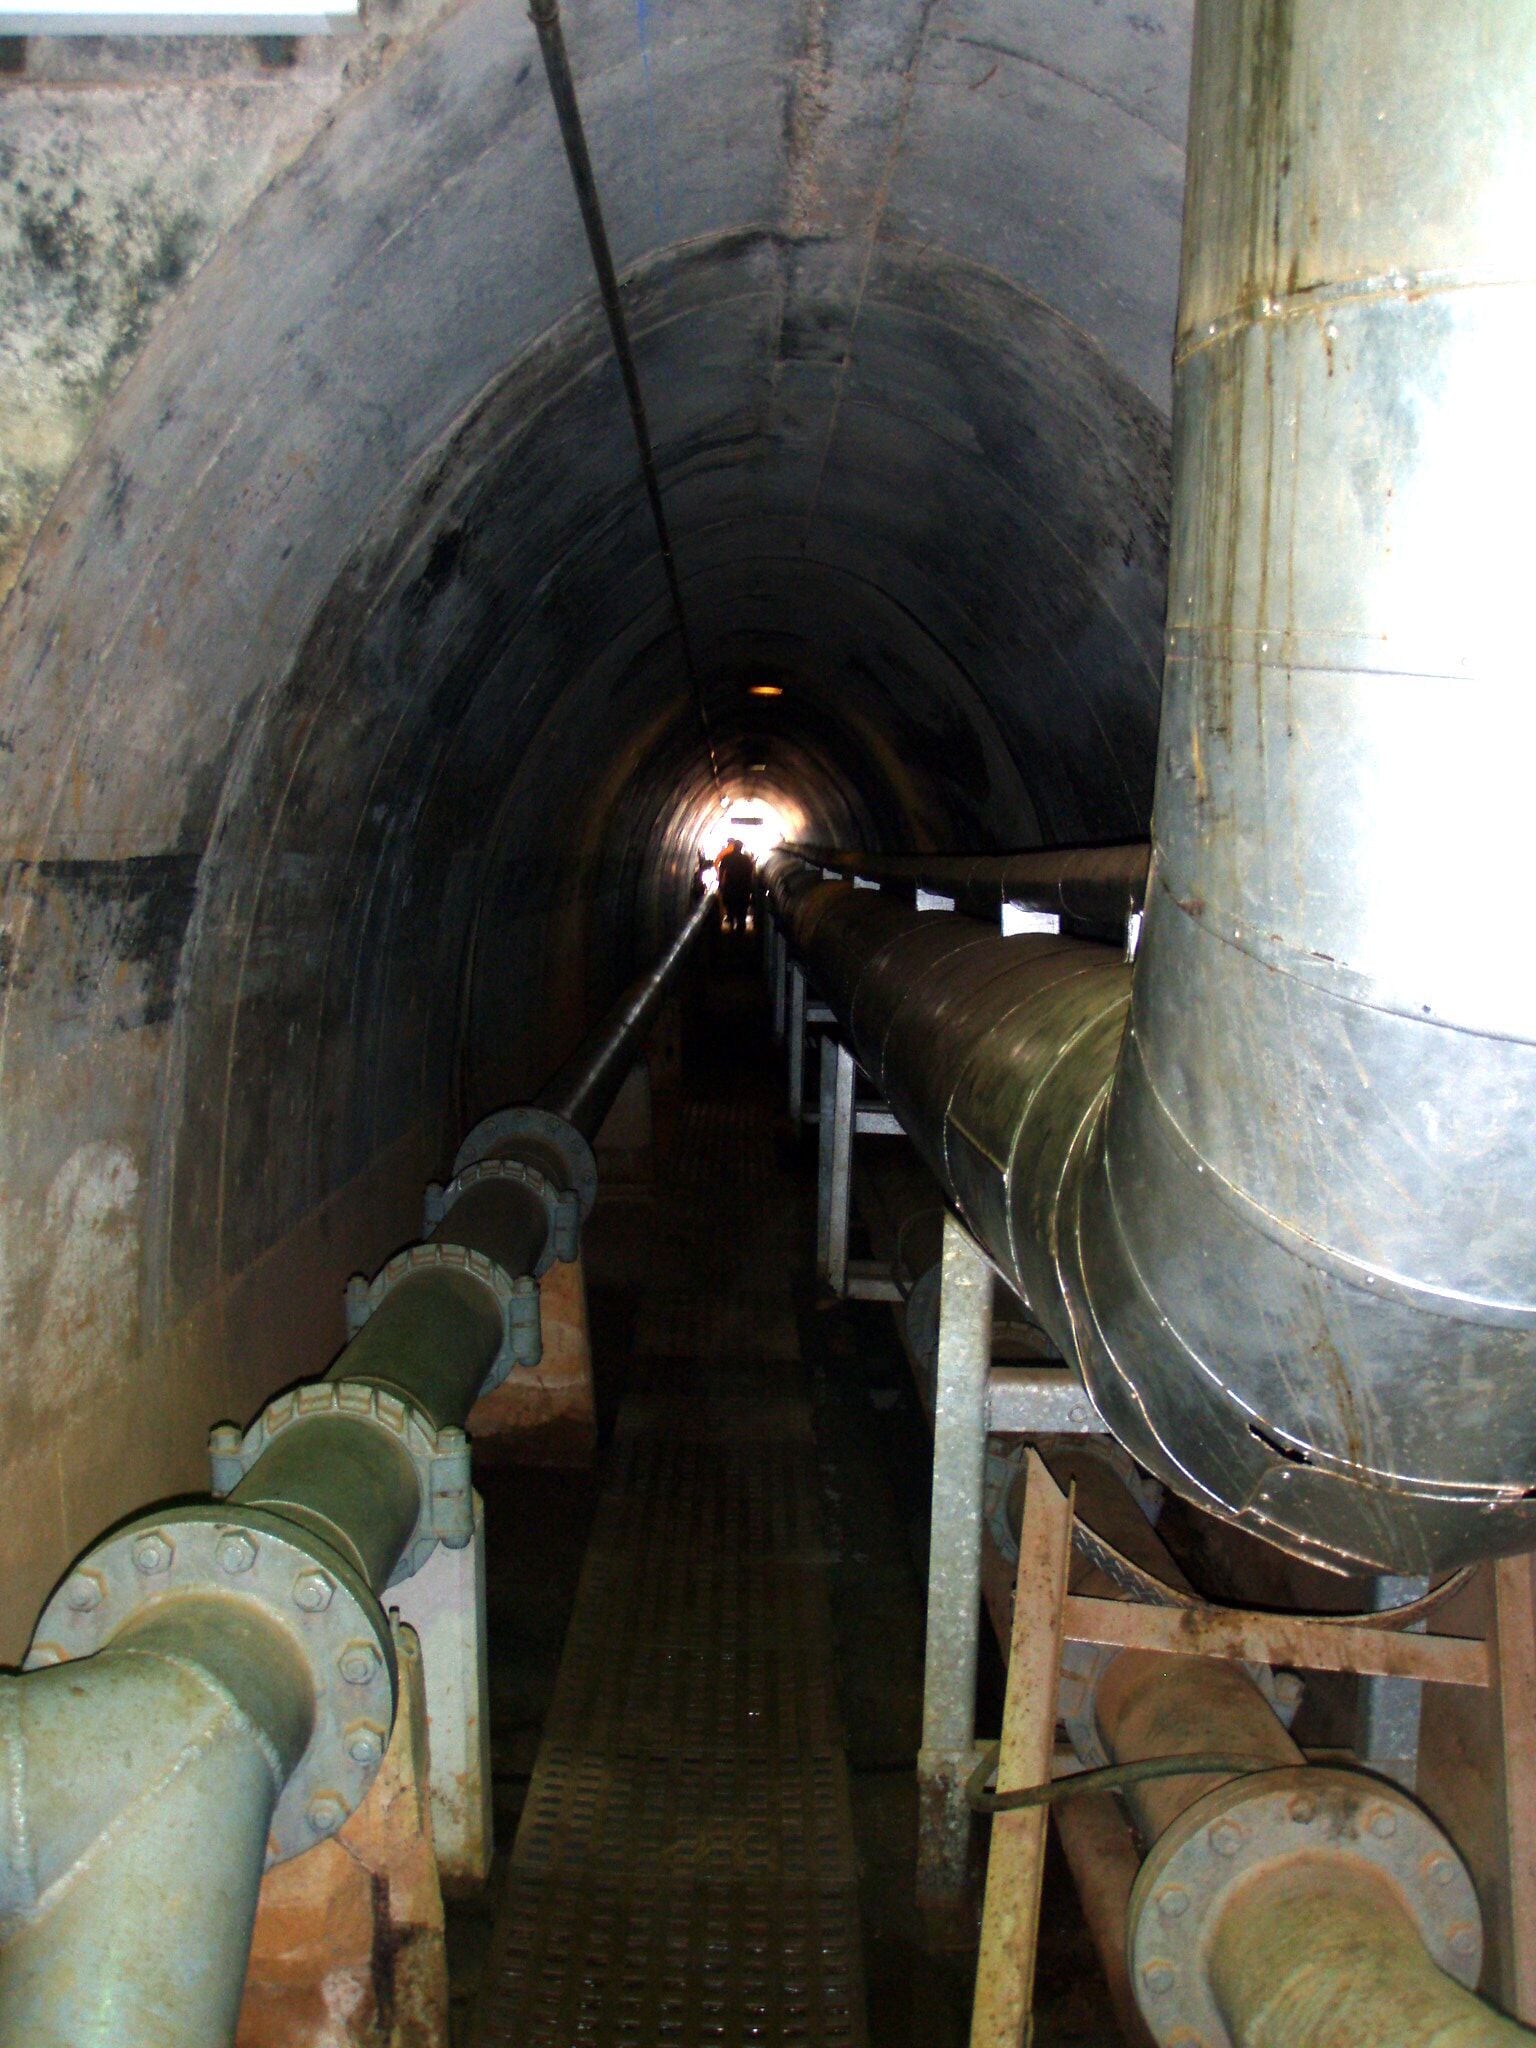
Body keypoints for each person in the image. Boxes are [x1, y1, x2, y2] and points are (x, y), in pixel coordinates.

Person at [715, 838, 755, 934]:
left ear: (734, 847)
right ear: (740, 848)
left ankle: (732, 931)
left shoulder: (727, 858)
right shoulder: (746, 859)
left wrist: (720, 884)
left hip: (730, 887)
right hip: (743, 889)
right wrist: (750, 888)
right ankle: (740, 936)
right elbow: (750, 874)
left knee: (731, 909)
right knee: (742, 913)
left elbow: (721, 871)